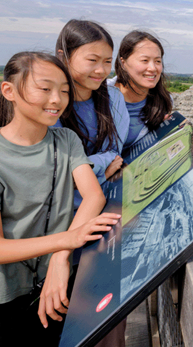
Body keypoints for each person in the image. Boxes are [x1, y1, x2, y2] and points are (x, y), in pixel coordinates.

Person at [0, 51, 121, 347]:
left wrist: (59, 259)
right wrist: (69, 240)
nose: (56, 99)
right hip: (8, 296)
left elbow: (93, 195)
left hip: (59, 284)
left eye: (64, 91)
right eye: (44, 88)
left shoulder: (65, 140)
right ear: (9, 91)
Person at [54, 19, 129, 207]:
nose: (101, 70)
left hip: (103, 204)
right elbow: (55, 173)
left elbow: (114, 154)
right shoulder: (50, 103)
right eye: (92, 60)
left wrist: (83, 170)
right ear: (64, 57)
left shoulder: (114, 99)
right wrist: (101, 172)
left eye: (107, 62)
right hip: (59, 213)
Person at [108, 30, 172, 151]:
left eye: (158, 61)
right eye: (144, 60)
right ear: (123, 63)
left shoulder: (164, 101)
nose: (153, 68)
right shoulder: (101, 95)